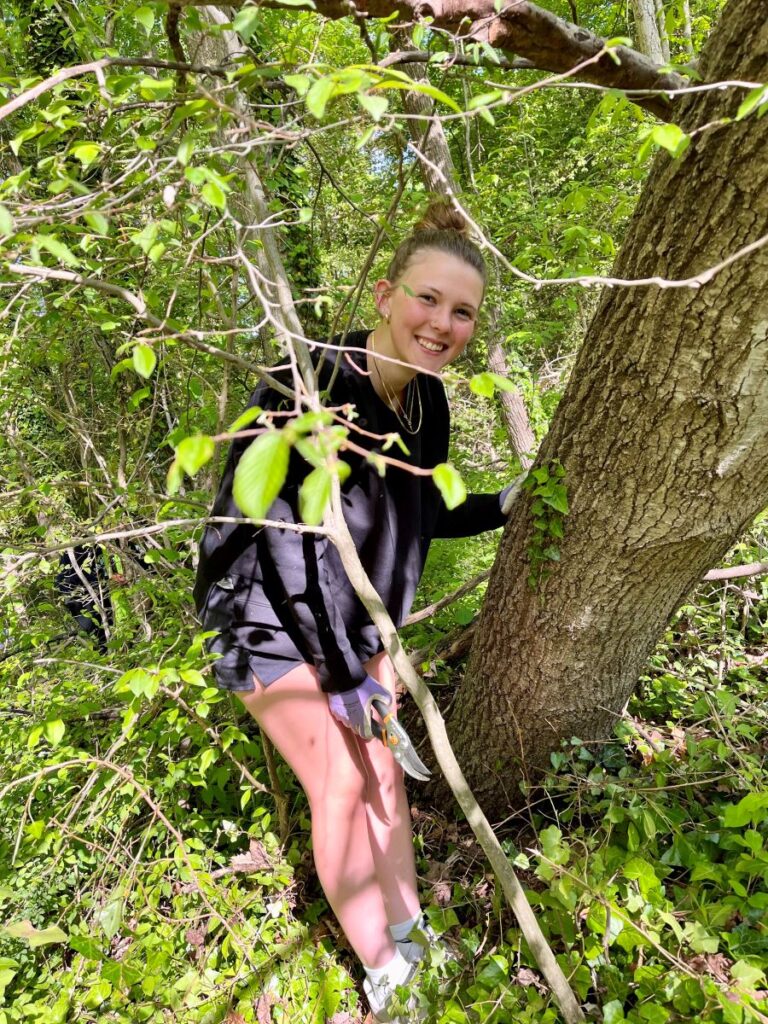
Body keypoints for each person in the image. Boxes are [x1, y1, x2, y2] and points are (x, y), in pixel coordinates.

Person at [194, 203, 517, 1023]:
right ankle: (390, 980)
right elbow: (284, 544)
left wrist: (504, 504)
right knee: (338, 782)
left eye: (462, 311)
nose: (442, 324)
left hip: (350, 622)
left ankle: (412, 942)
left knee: (383, 775)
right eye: (427, 299)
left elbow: (420, 514)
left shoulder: (430, 405)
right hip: (261, 606)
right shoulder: (312, 384)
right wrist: (348, 672)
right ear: (384, 293)